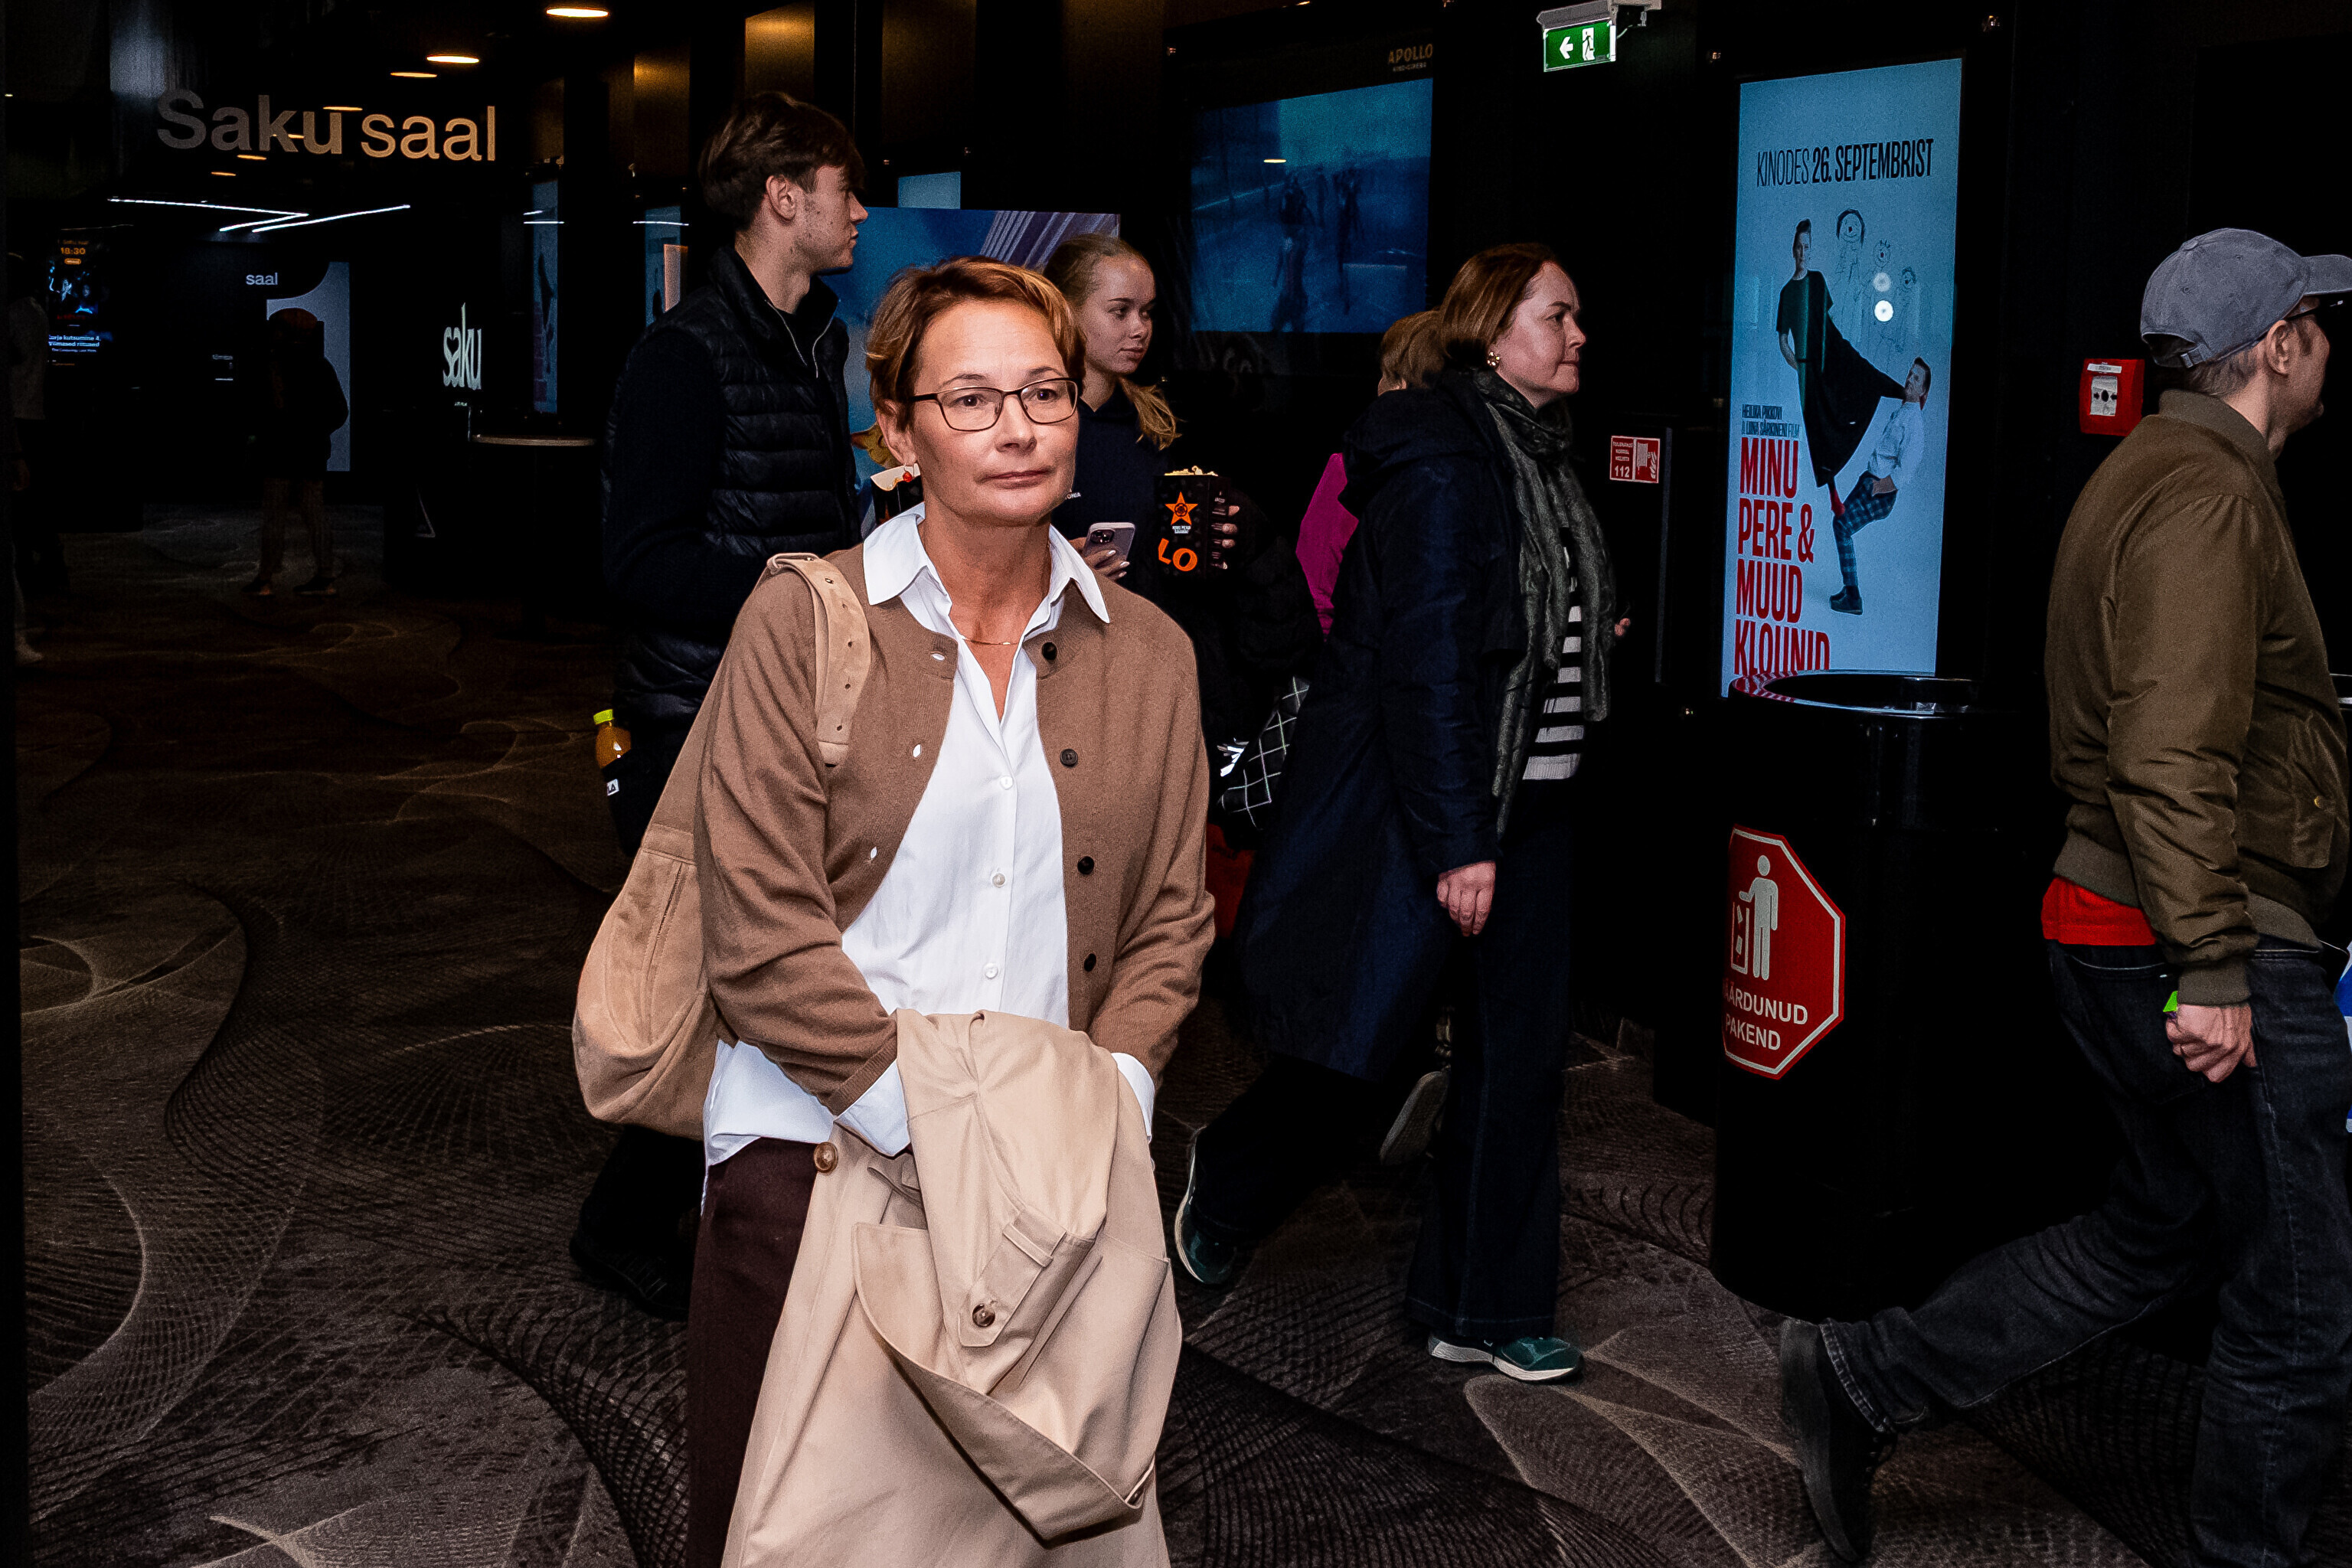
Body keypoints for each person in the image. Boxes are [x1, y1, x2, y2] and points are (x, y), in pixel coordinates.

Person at [1780, 229, 2352, 1567]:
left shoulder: (2151, 469)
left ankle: (1863, 1377)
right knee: (2297, 1301)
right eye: (2316, 324)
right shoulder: (2207, 497)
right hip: (2197, 937)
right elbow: (2168, 748)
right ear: (2277, 347)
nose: (2329, 347)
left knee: (2161, 1228)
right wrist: (2213, 967)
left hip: (2119, 923)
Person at [683, 255, 1212, 1567]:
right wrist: (934, 1129)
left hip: (1048, 1186)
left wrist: (1103, 1112)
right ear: (899, 432)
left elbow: (1169, 920)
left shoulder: (1151, 654)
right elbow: (758, 933)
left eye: (1043, 391)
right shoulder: (800, 625)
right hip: (814, 1162)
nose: (1017, 426)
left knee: (1034, 1529)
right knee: (783, 1530)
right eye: (970, 399)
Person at [1173, 243, 1627, 1384]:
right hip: (1443, 810)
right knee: (1358, 1050)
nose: (1579, 336)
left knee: (1518, 1064)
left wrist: (1579, 634)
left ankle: (1482, 1308)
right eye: (1558, 316)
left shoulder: (1543, 456)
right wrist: (1460, 842)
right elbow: (1425, 668)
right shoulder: (1442, 466)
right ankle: (1229, 1183)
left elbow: (1510, 624)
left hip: (1537, 809)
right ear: (1494, 333)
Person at [575, 90, 866, 1323]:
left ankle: (694, 1217)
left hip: (782, 718)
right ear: (783, 197)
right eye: (847, 188)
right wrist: (807, 587)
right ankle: (624, 1228)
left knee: (750, 984)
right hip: (693, 723)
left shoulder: (809, 344)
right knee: (704, 985)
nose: (863, 211)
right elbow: (639, 561)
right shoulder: (686, 357)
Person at [1042, 234, 1317, 756]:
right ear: (1064, 311)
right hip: (1058, 675)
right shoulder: (1032, 426)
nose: (1139, 328)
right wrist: (1052, 571)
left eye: (1147, 312)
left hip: (1156, 675)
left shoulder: (1157, 421)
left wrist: (1223, 536)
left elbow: (1180, 555)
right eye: (1119, 311)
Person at [1295, 309, 1446, 636]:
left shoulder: (1351, 471)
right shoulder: (1482, 472)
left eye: (1384, 375)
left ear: (1399, 387)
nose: (1378, 386)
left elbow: (1316, 591)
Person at [1777, 219, 1905, 516]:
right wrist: (1800, 368)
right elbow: (1783, 341)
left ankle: (1903, 392)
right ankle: (1834, 494)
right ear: (1793, 250)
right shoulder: (1786, 292)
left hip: (1832, 350)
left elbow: (1827, 321)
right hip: (1809, 369)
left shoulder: (1818, 280)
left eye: (1807, 247)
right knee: (1818, 430)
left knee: (1862, 371)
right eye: (1799, 247)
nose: (1803, 252)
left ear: (1810, 250)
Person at [241, 309, 347, 598]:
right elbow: (340, 412)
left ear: (281, 332)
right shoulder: (320, 365)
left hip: (278, 453)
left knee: (274, 516)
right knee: (315, 514)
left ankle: (265, 578)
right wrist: (316, 433)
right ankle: (325, 575)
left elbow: (258, 412)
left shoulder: (272, 365)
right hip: (312, 453)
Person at [1826, 357, 1931, 615]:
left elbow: (1905, 471)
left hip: (1879, 493)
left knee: (1842, 526)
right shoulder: (1904, 411)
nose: (1909, 379)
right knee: (1840, 524)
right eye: (1910, 374)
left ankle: (1853, 598)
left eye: (1916, 378)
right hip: (1869, 481)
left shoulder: (1914, 424)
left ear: (1923, 391)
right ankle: (1849, 590)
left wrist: (1877, 488)